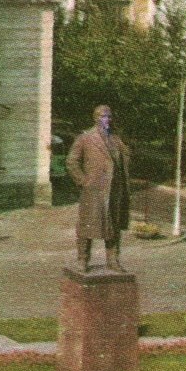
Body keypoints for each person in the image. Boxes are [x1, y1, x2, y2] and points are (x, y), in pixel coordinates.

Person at [66, 104, 131, 271]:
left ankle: (113, 260)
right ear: (96, 118)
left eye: (109, 116)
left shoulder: (116, 139)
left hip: (115, 189)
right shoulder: (86, 138)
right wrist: (83, 181)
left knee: (113, 226)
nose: (107, 119)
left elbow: (123, 161)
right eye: (103, 116)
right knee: (87, 226)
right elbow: (72, 162)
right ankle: (83, 260)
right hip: (94, 190)